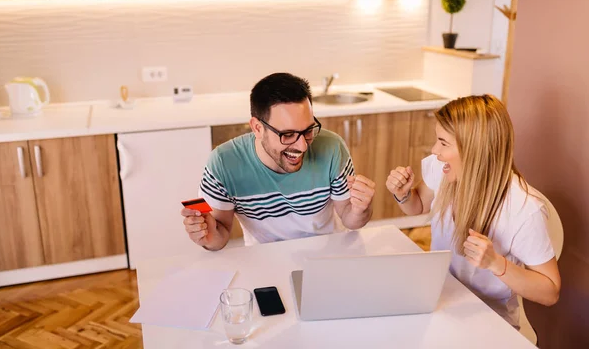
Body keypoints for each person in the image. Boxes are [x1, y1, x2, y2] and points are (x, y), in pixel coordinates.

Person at [386, 94, 560, 328]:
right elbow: (417, 206)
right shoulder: (444, 168)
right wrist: (403, 194)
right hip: (439, 298)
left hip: (488, 320)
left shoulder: (524, 208)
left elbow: (550, 292)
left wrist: (496, 263)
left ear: (475, 150)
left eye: (444, 143)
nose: (435, 150)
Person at [181, 72, 376, 250]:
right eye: (288, 134)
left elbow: (350, 219)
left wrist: (361, 210)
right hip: (265, 258)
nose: (303, 146)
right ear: (257, 128)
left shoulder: (332, 147)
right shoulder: (223, 163)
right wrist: (205, 234)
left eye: (308, 130)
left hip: (326, 251)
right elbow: (219, 235)